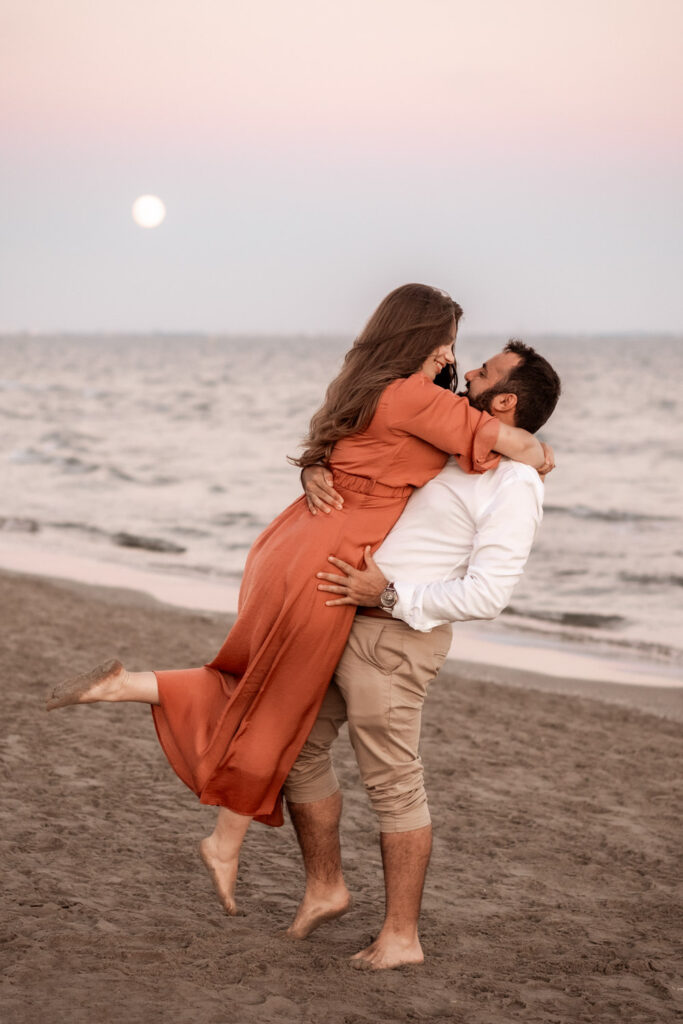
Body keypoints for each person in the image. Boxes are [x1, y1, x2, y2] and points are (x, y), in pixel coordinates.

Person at [46, 286, 553, 916]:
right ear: (423, 339)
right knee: (277, 699)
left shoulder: (378, 387)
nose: (460, 360)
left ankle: (148, 708)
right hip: (329, 563)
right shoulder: (424, 400)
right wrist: (537, 451)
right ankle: (215, 822)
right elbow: (520, 447)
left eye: (471, 361)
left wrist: (320, 468)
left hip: (302, 550)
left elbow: (389, 450)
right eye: (451, 344)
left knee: (272, 694)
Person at [282, 340, 561, 969]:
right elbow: (370, 468)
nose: (469, 372)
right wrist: (313, 469)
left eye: (484, 371)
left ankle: (402, 937)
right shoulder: (452, 442)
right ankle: (326, 886)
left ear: (506, 399)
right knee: (296, 750)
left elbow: (488, 593)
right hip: (341, 618)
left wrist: (388, 592)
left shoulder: (515, 484)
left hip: (397, 638)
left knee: (394, 785)